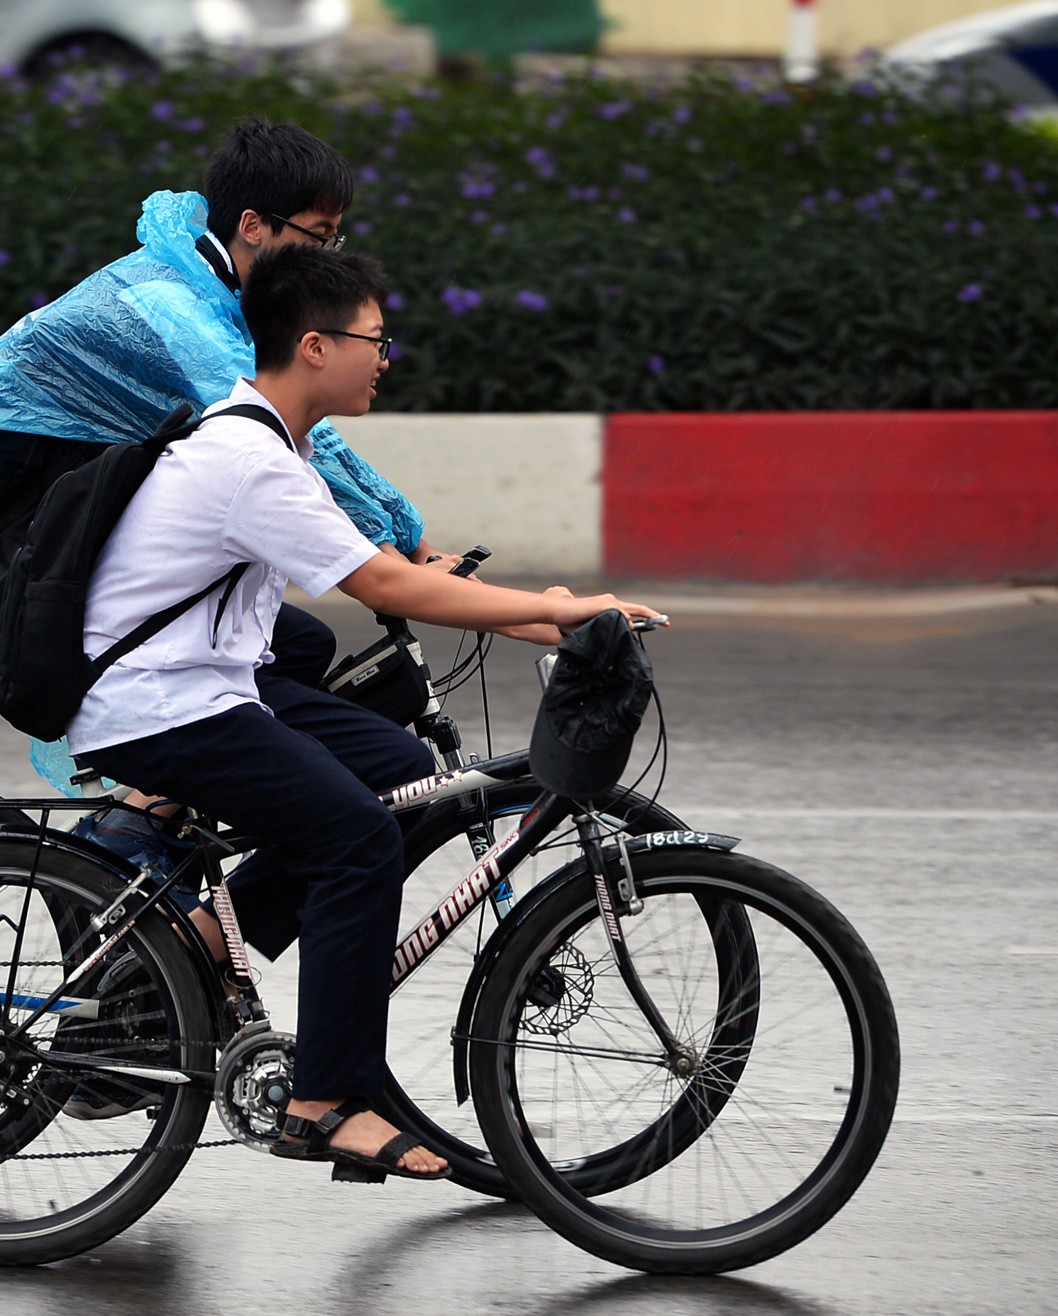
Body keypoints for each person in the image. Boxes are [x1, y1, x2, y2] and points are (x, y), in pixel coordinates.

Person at [69, 244, 662, 1180]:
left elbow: (391, 568)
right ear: (314, 345)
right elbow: (380, 579)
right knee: (356, 841)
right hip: (162, 705)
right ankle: (320, 1102)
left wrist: (543, 623)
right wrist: (557, 609)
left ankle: (190, 942)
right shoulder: (248, 458)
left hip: (212, 684)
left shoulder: (279, 443)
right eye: (375, 340)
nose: (387, 358)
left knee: (407, 779)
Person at [0, 117, 477, 800]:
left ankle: (176, 814)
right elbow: (301, 441)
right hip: (29, 523)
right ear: (255, 225)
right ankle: (150, 828)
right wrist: (407, 539)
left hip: (83, 506)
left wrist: (403, 536)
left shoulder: (213, 287)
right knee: (261, 677)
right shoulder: (175, 307)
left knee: (297, 645)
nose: (328, 253)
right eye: (318, 235)